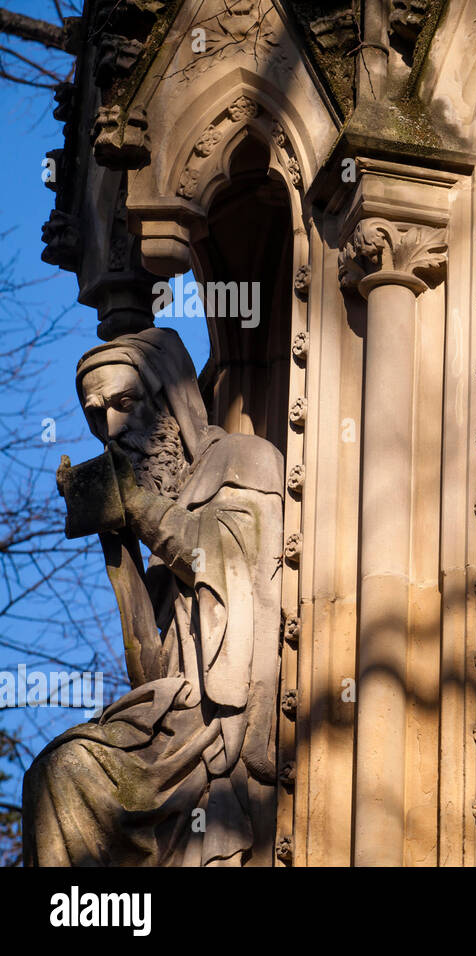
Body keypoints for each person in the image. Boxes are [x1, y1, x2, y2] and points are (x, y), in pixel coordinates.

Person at [24, 327, 283, 866]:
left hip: (217, 723)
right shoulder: (164, 505)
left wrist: (136, 507)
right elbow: (150, 674)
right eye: (96, 415)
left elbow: (225, 564)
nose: (111, 428)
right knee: (58, 770)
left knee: (69, 768)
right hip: (176, 714)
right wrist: (114, 541)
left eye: (124, 403)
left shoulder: (242, 459)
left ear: (168, 397)